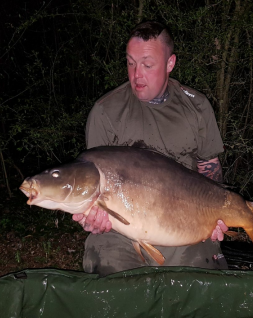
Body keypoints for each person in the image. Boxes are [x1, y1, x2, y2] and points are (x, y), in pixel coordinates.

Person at [72, 21, 229, 276]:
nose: (136, 75)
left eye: (147, 64)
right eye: (131, 63)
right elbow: (94, 187)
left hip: (184, 223)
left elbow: (209, 169)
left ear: (170, 64)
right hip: (122, 232)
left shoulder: (197, 107)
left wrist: (215, 214)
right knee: (114, 287)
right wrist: (94, 218)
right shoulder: (105, 112)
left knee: (203, 294)